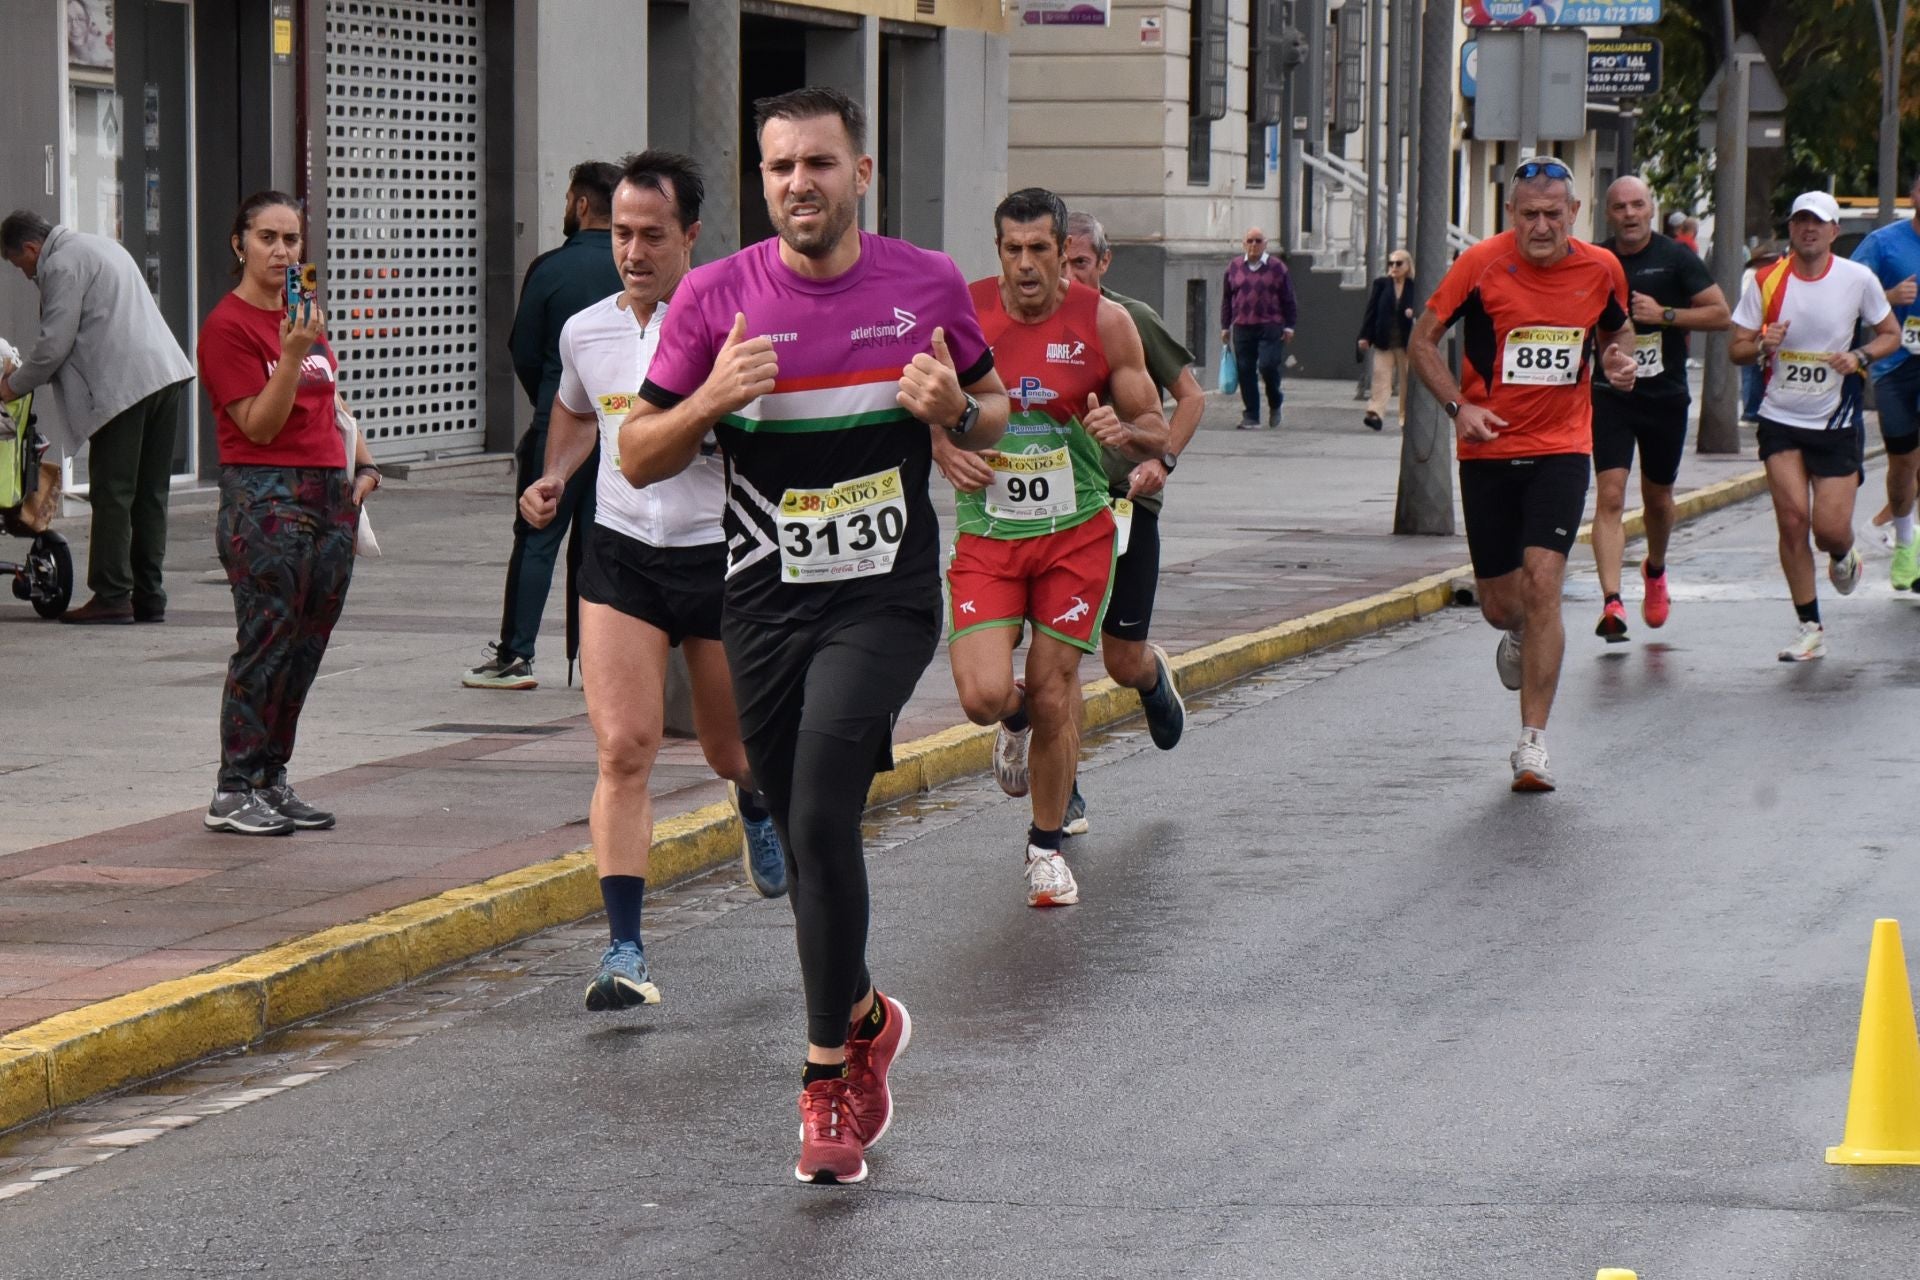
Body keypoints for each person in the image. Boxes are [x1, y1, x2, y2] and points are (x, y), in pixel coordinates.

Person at [618, 87, 1009, 1185]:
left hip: (882, 598)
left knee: (827, 803)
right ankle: (869, 1011)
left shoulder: (924, 283)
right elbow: (641, 455)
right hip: (762, 602)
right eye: (781, 166)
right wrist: (711, 400)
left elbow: (994, 415)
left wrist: (950, 405)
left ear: (861, 174)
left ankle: (825, 1075)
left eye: (820, 165)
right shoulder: (714, 297)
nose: (800, 184)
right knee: (800, 826)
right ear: (764, 177)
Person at [515, 151, 789, 1013]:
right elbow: (572, 412)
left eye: (651, 235)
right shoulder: (587, 329)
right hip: (621, 555)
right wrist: (556, 474)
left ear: (690, 237)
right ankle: (624, 949)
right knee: (624, 748)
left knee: (727, 750)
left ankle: (751, 800)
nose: (632, 251)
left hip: (716, 554)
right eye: (622, 233)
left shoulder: (734, 323)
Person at [935, 190, 1167, 909]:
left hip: (1075, 536)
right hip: (991, 535)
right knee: (979, 694)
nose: (1027, 265)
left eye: (1041, 250)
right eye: (1014, 250)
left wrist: (1124, 431)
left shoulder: (1106, 321)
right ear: (998, 250)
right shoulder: (964, 313)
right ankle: (1012, 719)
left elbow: (1156, 421)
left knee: (1055, 683)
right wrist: (943, 445)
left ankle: (1045, 848)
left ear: (1063, 250)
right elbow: (921, 401)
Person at [1408, 156, 1637, 792]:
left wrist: (1619, 365)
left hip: (1564, 447)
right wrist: (1459, 406)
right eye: (1529, 215)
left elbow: (1619, 333)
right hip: (1487, 451)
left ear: (1574, 214)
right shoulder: (1479, 265)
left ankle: (1531, 743)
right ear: (1511, 215)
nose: (1541, 226)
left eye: (1553, 214)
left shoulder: (1602, 268)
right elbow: (1423, 340)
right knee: (1502, 604)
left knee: (1545, 580)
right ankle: (1515, 630)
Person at [195, 191, 381, 835]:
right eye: (268, 238)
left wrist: (364, 464)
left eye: (291, 240)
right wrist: (292, 350)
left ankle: (272, 776)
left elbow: (332, 399)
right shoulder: (228, 327)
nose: (281, 251)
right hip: (265, 496)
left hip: (330, 494)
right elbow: (261, 424)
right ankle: (233, 785)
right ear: (239, 244)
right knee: (266, 639)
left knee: (307, 644)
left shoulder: (304, 318)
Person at [1060, 210, 1196, 835]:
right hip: (1055, 510)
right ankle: (1062, 787)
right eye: (1056, 261)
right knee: (1057, 659)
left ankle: (1151, 678)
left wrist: (1162, 461)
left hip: (1125, 504)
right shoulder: (1025, 323)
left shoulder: (1128, 319)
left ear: (1103, 264)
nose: (1065, 275)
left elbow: (1190, 396)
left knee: (1119, 660)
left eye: (1078, 263)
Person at [463, 162, 623, 689]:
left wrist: (548, 410)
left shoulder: (551, 268)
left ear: (580, 205)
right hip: (629, 428)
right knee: (605, 542)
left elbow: (524, 350)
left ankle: (515, 655)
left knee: (537, 535)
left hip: (558, 426)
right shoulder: (639, 265)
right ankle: (602, 658)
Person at [0, 210, 194, 624]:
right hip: (166, 375)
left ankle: (111, 594)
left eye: (22, 265)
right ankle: (149, 595)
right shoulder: (102, 245)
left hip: (124, 387)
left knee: (113, 492)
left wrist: (11, 386)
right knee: (150, 493)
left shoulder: (61, 264)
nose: (27, 274)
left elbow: (53, 345)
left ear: (32, 248)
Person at [1731, 191, 1898, 662]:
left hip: (1835, 418)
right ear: (1791, 228)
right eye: (1801, 221)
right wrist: (1763, 344)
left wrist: (1860, 355)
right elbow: (1735, 348)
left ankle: (1845, 553)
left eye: (1818, 222)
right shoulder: (1765, 281)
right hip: (1779, 418)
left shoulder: (1857, 278)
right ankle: (1809, 626)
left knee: (1828, 530)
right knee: (1791, 522)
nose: (1808, 229)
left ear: (1833, 232)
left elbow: (1889, 334)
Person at [1588, 176, 1731, 642]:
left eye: (1637, 206)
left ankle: (1655, 568)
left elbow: (1719, 314)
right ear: (1607, 213)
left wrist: (1665, 315)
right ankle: (1612, 602)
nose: (1629, 215)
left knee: (1658, 501)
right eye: (1619, 207)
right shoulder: (1595, 260)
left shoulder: (1675, 258)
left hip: (1663, 395)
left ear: (1651, 210)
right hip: (1610, 394)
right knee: (1609, 496)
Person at [1849, 172, 1920, 591]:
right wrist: (1888, 297)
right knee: (1903, 461)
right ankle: (1902, 543)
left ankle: (1904, 544)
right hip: (1895, 366)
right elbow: (1847, 292)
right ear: (1913, 195)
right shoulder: (1882, 243)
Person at [1220, 227, 1296, 429]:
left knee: (1268, 366)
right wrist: (1225, 326)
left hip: (1270, 324)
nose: (1254, 245)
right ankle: (1251, 415)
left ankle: (1275, 402)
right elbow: (1227, 299)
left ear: (1265, 244)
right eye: (1250, 241)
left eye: (1258, 241)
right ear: (1244, 244)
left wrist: (1289, 326)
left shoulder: (1277, 267)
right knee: (1245, 370)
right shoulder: (1234, 267)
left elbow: (1288, 299)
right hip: (1243, 325)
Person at [1356, 249, 1420, 431]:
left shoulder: (1414, 287)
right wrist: (1364, 336)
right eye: (1391, 263)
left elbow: (1423, 310)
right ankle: (1375, 413)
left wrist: (1412, 313)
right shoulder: (1381, 284)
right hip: (1384, 341)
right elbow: (1371, 312)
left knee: (1407, 383)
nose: (1394, 267)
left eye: (1399, 263)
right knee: (1380, 378)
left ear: (1408, 266)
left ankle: (1405, 419)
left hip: (1406, 344)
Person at [1740, 240, 1783, 425]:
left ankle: (1755, 409)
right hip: (1757, 334)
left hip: (1770, 334)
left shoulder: (1774, 275)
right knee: (1751, 373)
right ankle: (1751, 411)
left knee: (1758, 374)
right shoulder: (1753, 276)